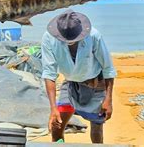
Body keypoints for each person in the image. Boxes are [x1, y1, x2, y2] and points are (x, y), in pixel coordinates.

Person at [41, 9, 116, 143]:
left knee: (97, 127)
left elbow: (108, 68)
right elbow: (49, 73)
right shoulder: (48, 38)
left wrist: (108, 100)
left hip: (95, 83)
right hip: (70, 83)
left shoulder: (94, 36)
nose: (70, 42)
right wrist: (53, 108)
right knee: (56, 125)